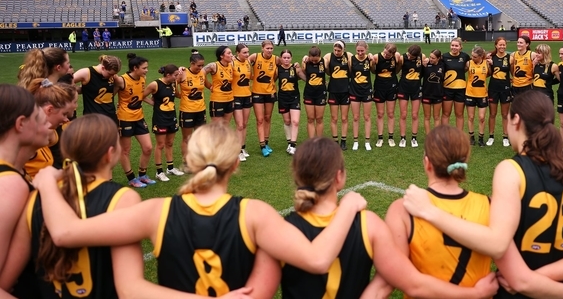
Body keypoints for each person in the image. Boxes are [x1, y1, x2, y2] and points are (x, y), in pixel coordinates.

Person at [33, 122, 369, 298]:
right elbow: (317, 259)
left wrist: (47, 184)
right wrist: (349, 204)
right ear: (235, 164)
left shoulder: (156, 212)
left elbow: (66, 234)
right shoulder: (255, 214)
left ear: (189, 160)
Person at [403, 90, 563, 299]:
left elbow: (497, 243)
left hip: (523, 292)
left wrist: (430, 211)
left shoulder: (511, 170)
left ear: (516, 120)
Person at [272, 133, 500, 299]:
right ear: (339, 177)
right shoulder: (369, 225)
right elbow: (399, 283)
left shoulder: (279, 230)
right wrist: (474, 294)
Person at [2, 114, 165, 298]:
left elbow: (5, 283)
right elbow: (129, 289)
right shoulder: (122, 199)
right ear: (110, 153)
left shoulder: (35, 199)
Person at [0, 85, 50, 298]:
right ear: (20, 124)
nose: (49, 125)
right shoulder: (9, 184)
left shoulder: (13, 175)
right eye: (41, 119)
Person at [116, 54, 156, 188]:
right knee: (125, 150)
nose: (146, 70)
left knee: (148, 148)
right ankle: (132, 179)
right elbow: (110, 95)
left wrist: (153, 103)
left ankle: (142, 175)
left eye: (147, 68)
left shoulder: (143, 79)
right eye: (144, 68)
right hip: (124, 119)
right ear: (135, 68)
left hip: (139, 117)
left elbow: (141, 96)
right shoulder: (122, 80)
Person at [24, 79, 78, 178]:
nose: (66, 119)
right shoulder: (28, 139)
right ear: (49, 109)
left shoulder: (44, 134)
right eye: (64, 114)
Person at [143, 65, 184, 182]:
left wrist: (181, 74)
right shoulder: (155, 84)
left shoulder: (173, 83)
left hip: (171, 116)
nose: (177, 77)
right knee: (160, 145)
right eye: (175, 75)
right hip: (160, 118)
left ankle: (170, 168)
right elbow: (142, 96)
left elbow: (177, 95)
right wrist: (154, 104)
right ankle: (159, 172)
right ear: (168, 75)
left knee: (170, 143)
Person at [248, 40, 280, 157]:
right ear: (262, 48)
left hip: (270, 92)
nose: (269, 50)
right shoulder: (255, 57)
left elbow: (283, 68)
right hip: (257, 92)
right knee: (260, 119)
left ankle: (266, 143)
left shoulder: (276, 59)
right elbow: (244, 64)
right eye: (267, 48)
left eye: (271, 48)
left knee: (267, 117)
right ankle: (262, 145)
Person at [176, 52, 207, 169]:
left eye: (202, 65)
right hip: (187, 110)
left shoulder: (202, 72)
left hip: (201, 109)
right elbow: (173, 86)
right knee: (187, 138)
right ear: (191, 64)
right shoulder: (183, 73)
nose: (200, 68)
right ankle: (186, 162)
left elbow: (206, 83)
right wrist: (180, 95)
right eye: (198, 65)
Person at [73, 55, 121, 126]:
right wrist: (79, 90)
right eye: (110, 74)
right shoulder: (87, 73)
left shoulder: (112, 76)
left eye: (114, 74)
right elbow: (65, 83)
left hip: (110, 117)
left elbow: (117, 85)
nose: (112, 76)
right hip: (93, 120)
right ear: (103, 68)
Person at [324, 41, 352, 150]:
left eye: (339, 51)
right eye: (335, 50)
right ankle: (335, 141)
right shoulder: (328, 56)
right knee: (334, 118)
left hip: (345, 91)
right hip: (333, 90)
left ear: (344, 49)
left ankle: (343, 141)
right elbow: (321, 65)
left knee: (344, 118)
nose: (336, 52)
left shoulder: (348, 56)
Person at [373, 43, 401, 147]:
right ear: (384, 49)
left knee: (390, 113)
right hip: (379, 86)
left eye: (388, 55)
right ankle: (380, 138)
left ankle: (391, 137)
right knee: (380, 114)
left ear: (393, 54)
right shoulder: (376, 57)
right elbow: (373, 71)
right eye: (385, 53)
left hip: (392, 86)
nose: (386, 55)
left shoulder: (396, 56)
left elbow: (397, 70)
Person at [277, 49, 305, 155]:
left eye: (288, 58)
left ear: (291, 58)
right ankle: (289, 142)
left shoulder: (295, 68)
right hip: (283, 98)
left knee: (295, 121)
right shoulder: (278, 69)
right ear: (281, 58)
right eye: (284, 58)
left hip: (294, 98)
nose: (286, 59)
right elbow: (271, 80)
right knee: (287, 121)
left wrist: (302, 67)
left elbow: (305, 78)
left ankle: (293, 145)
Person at [398, 45, 425, 148]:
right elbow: (397, 70)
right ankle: (403, 138)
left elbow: (424, 71)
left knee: (414, 115)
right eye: (409, 55)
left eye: (412, 57)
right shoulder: (402, 58)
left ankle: (414, 138)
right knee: (403, 114)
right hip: (403, 88)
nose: (409, 57)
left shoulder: (422, 57)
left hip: (416, 88)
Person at [487, 37, 512, 147]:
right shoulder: (491, 57)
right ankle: (491, 136)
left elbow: (513, 73)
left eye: (503, 45)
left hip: (505, 89)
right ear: (496, 45)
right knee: (492, 114)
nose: (502, 46)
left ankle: (505, 137)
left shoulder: (510, 58)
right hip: (493, 88)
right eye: (500, 45)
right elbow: (488, 74)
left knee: (505, 114)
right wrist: (489, 64)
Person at [349, 41, 373, 151]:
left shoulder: (370, 59)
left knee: (367, 117)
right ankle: (356, 141)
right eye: (358, 50)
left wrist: (372, 59)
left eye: (362, 51)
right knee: (355, 117)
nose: (360, 53)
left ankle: (367, 141)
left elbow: (374, 70)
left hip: (366, 90)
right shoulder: (351, 59)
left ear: (366, 49)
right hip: (354, 90)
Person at [441, 38, 470, 131]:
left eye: (456, 46)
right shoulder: (444, 56)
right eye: (452, 45)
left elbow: (468, 67)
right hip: (447, 89)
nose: (454, 47)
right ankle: (444, 134)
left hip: (460, 89)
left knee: (459, 114)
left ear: (461, 47)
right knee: (446, 113)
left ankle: (459, 135)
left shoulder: (465, 56)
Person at [203, 46, 235, 125]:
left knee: (225, 126)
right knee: (217, 128)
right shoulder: (214, 66)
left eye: (231, 53)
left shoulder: (231, 65)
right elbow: (200, 73)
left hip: (230, 100)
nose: (231, 55)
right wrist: (209, 86)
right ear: (221, 56)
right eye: (229, 53)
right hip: (218, 101)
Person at [232, 44, 253, 161]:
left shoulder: (248, 62)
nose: (247, 54)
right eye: (244, 52)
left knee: (244, 124)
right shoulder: (232, 63)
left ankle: (242, 147)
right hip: (236, 96)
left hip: (247, 95)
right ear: (237, 53)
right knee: (239, 125)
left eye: (248, 52)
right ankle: (237, 150)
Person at [465, 46, 490, 147]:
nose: (472, 58)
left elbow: (489, 74)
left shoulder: (486, 63)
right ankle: (471, 137)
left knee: (482, 117)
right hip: (470, 93)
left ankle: (481, 138)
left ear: (480, 56)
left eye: (475, 57)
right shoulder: (468, 63)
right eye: (472, 56)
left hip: (482, 94)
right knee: (471, 117)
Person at [302, 46, 327, 139]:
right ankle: (312, 141)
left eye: (316, 60)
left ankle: (319, 141)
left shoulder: (324, 61)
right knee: (310, 118)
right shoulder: (306, 62)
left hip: (321, 93)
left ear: (320, 56)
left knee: (319, 118)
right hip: (309, 93)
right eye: (312, 60)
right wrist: (304, 58)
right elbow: (303, 74)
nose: (314, 62)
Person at [422, 50, 444, 135]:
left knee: (436, 117)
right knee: (427, 117)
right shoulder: (425, 65)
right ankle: (428, 137)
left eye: (433, 58)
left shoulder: (442, 65)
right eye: (430, 57)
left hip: (438, 94)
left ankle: (436, 136)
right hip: (426, 94)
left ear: (438, 58)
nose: (431, 59)